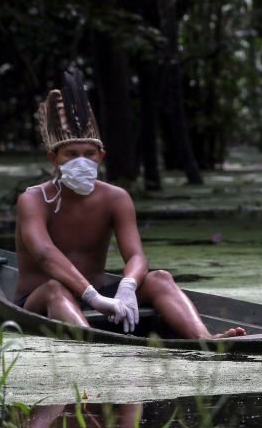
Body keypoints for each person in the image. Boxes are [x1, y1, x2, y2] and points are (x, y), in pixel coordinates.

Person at [14, 68, 244, 339]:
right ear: (54, 158)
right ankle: (95, 346)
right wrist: (93, 297)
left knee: (160, 278)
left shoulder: (116, 197)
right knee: (55, 288)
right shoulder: (33, 199)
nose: (81, 161)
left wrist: (128, 285)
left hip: (98, 296)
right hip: (42, 298)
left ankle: (205, 340)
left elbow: (136, 256)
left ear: (101, 156)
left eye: (89, 154)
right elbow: (45, 254)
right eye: (71, 154)